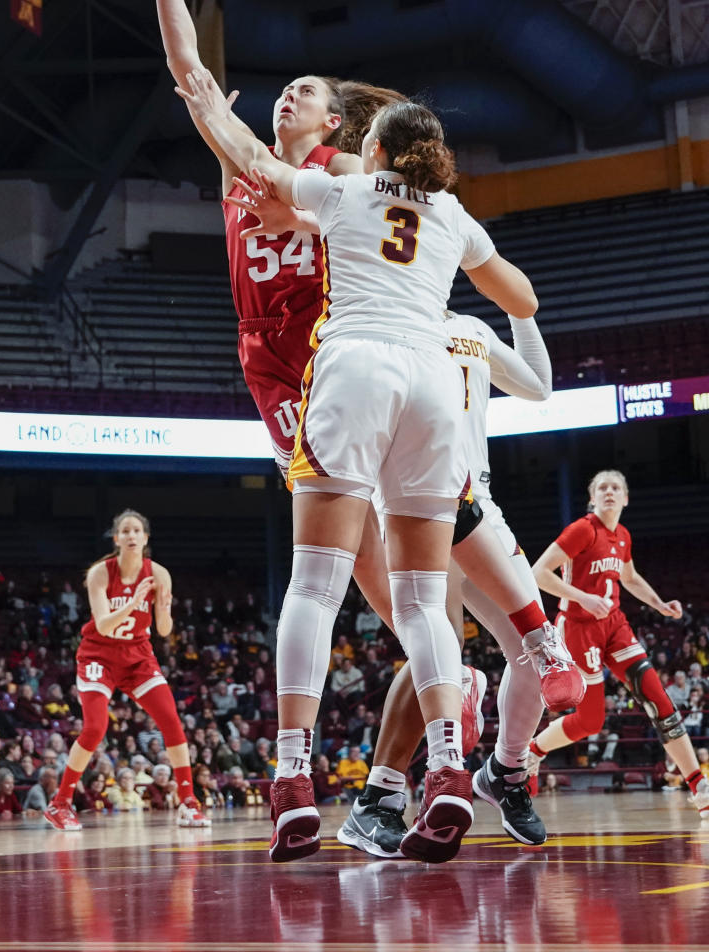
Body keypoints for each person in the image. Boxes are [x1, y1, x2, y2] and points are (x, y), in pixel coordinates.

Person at [177, 71, 539, 864]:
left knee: (315, 585)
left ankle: (293, 780)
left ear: (369, 147)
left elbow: (240, 147)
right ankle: (448, 770)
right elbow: (521, 297)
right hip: (434, 388)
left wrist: (208, 104)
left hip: (354, 371)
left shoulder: (340, 191)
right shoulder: (449, 213)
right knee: (421, 602)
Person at [105, 0, 404, 636]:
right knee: (347, 534)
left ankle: (453, 635)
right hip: (262, 351)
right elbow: (190, 70)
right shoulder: (249, 161)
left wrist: (300, 215)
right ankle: (424, 648)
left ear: (331, 121)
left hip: (328, 339)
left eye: (302, 92)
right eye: (281, 91)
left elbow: (389, 225)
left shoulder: (346, 169)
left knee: (367, 509)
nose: (286, 98)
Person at [337, 308, 577, 856]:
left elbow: (538, 387)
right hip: (410, 504)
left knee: (531, 651)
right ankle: (391, 795)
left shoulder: (470, 328)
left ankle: (507, 771)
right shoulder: (377, 319)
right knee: (439, 654)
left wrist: (522, 310)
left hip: (477, 506)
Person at [528, 469, 709, 820]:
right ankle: (533, 750)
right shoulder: (582, 529)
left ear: (625, 498)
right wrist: (583, 597)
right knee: (590, 722)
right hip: (578, 627)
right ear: (592, 498)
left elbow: (629, 577)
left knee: (658, 698)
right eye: (602, 487)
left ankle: (698, 785)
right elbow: (539, 573)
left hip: (614, 624)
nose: (609, 492)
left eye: (616, 488)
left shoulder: (622, 535)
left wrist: (658, 604)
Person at [44, 510, 210, 832]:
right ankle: (60, 802)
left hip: (137, 657)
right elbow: (104, 625)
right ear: (116, 538)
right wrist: (134, 602)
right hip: (99, 655)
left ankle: (189, 802)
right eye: (125, 530)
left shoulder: (159, 574)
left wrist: (163, 607)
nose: (131, 535)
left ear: (145, 538)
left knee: (171, 721)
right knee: (95, 727)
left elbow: (163, 630)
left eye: (137, 530)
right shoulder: (100, 574)